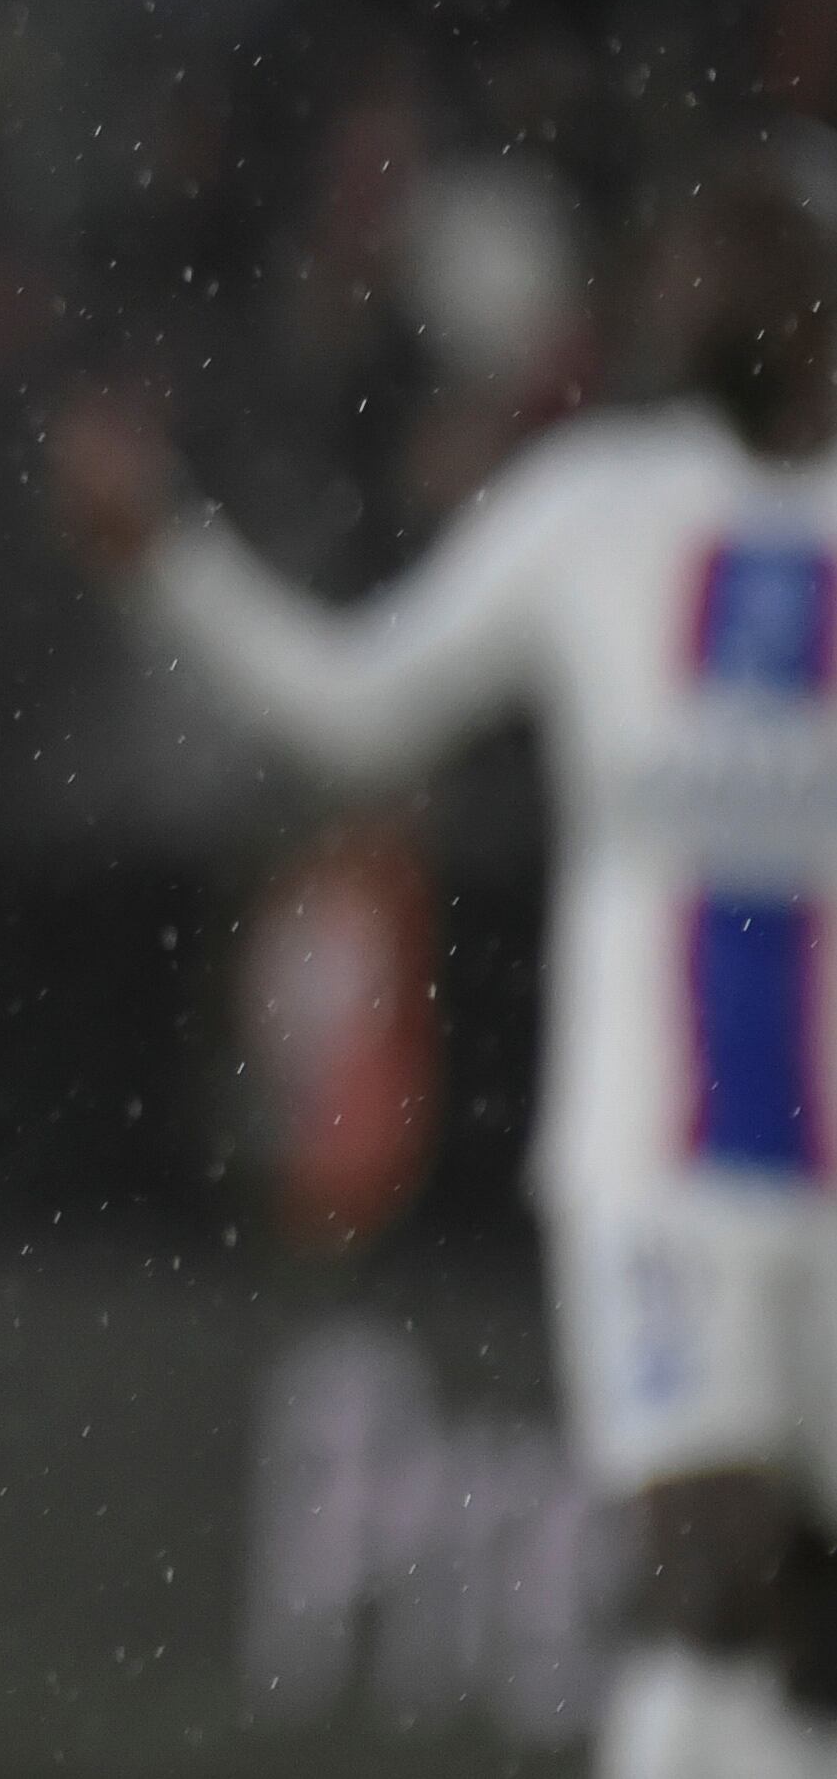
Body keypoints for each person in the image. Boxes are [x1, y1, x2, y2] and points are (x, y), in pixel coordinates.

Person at [54, 143, 837, 1779]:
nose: (695, 283)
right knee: (711, 1553)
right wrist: (166, 556)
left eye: (745, 251)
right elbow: (357, 710)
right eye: (692, 250)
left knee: (797, 1626)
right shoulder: (597, 512)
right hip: (659, 1164)